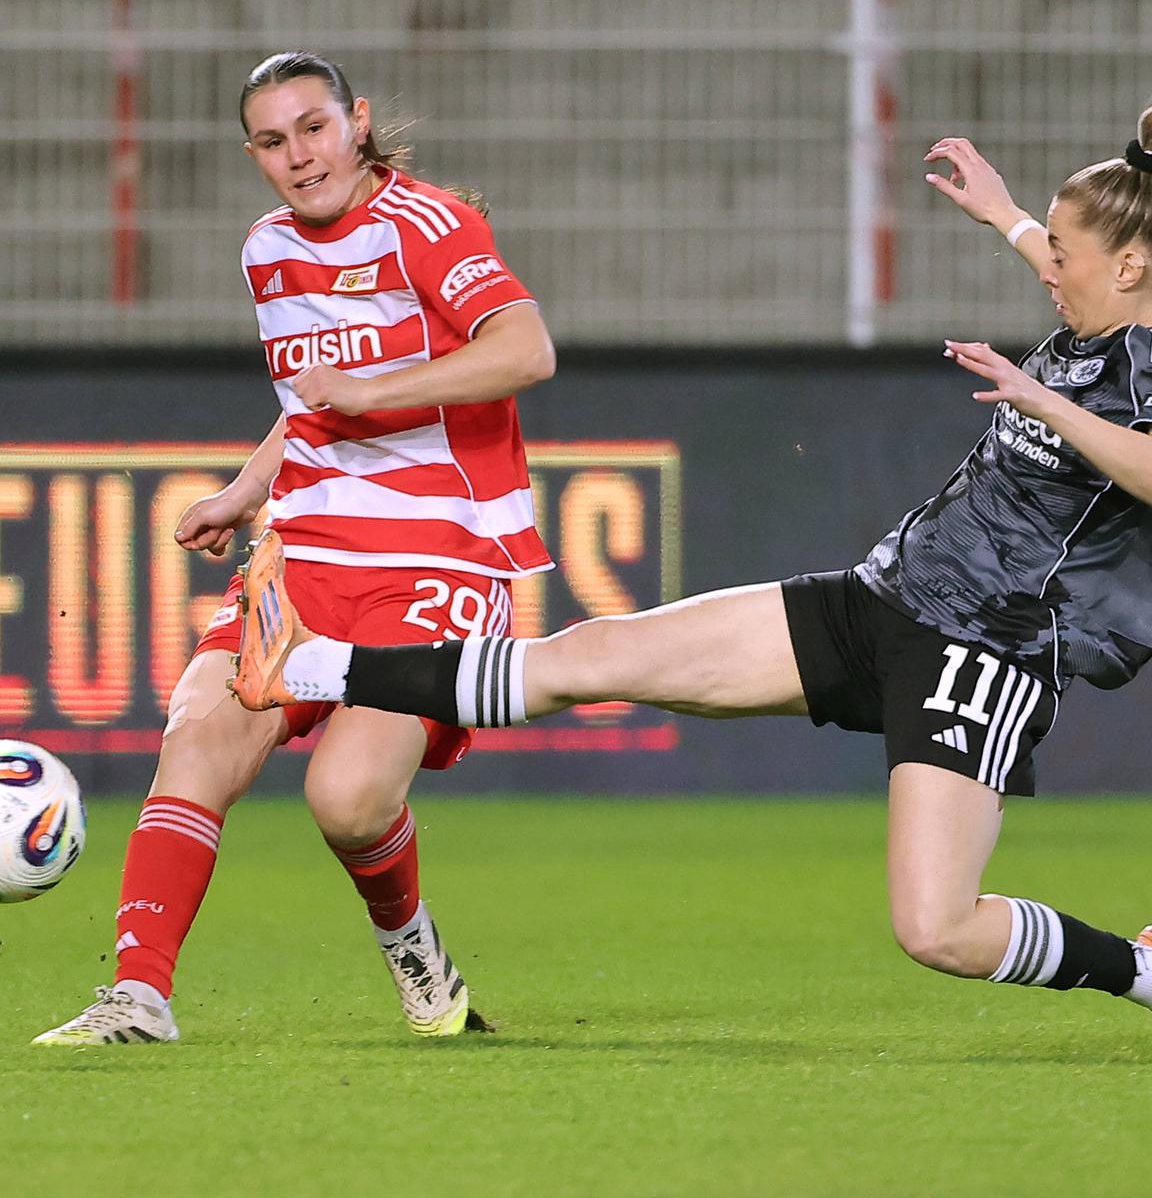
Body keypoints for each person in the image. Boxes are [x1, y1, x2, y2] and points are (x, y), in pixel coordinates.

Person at [234, 116, 1152, 1015]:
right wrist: (1004, 215)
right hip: (887, 597)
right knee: (594, 655)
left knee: (938, 928)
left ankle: (1142, 974)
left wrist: (1039, 397)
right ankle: (317, 664)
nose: (1049, 270)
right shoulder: (1104, 306)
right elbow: (1067, 261)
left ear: (1130, 267)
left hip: (984, 655)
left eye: (1063, 254)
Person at [33, 51, 555, 1046]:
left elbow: (524, 348)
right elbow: (305, 406)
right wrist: (243, 488)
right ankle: (138, 996)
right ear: (254, 154)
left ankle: (411, 946)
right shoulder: (267, 249)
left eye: (313, 128)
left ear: (355, 122)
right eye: (273, 141)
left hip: (441, 554)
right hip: (306, 550)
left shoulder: (430, 226)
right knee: (198, 737)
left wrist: (375, 391)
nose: (299, 155)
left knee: (349, 801)